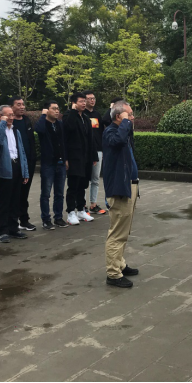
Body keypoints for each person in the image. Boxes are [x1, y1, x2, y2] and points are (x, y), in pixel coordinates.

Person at [102, 100, 140, 289]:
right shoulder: (111, 132)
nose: (132, 117)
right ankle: (113, 273)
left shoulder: (123, 131)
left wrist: (126, 123)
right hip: (120, 189)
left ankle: (120, 264)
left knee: (125, 230)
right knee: (117, 233)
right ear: (118, 116)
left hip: (130, 186)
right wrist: (125, 122)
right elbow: (117, 141)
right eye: (129, 114)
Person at [0, 105, 30, 243]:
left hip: (16, 166)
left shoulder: (15, 131)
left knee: (15, 200)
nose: (11, 117)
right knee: (3, 202)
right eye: (8, 115)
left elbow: (21, 151)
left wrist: (25, 171)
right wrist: (2, 123)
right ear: (0, 116)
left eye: (12, 115)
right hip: (4, 169)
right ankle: (2, 231)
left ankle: (13, 228)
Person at [63, 92, 96, 225]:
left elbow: (90, 138)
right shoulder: (68, 116)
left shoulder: (86, 118)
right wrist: (65, 158)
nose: (84, 103)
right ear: (74, 103)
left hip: (85, 157)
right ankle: (71, 212)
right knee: (73, 185)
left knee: (83, 184)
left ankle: (81, 209)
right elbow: (67, 131)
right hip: (74, 157)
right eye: (81, 101)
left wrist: (93, 156)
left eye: (84, 101)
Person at [35, 101, 69, 230]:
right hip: (48, 164)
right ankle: (46, 219)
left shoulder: (60, 124)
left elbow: (64, 142)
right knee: (46, 193)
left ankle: (58, 217)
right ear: (46, 110)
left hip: (60, 163)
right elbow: (38, 129)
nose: (57, 111)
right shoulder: (43, 124)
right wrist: (43, 116)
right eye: (54, 108)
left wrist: (66, 159)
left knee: (59, 193)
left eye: (58, 108)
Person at [10, 96, 38, 232]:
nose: (22, 107)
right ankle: (13, 221)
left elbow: (31, 140)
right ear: (11, 107)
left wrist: (32, 158)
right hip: (15, 163)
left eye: (23, 104)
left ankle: (24, 219)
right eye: (18, 104)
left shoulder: (26, 120)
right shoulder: (9, 122)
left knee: (25, 193)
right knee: (15, 193)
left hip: (29, 163)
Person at [83, 90, 107, 216]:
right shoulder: (82, 114)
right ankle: (82, 205)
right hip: (85, 151)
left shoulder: (97, 114)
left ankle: (93, 204)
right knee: (83, 179)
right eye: (89, 98)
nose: (92, 100)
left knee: (95, 178)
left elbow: (102, 130)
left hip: (98, 150)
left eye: (93, 98)